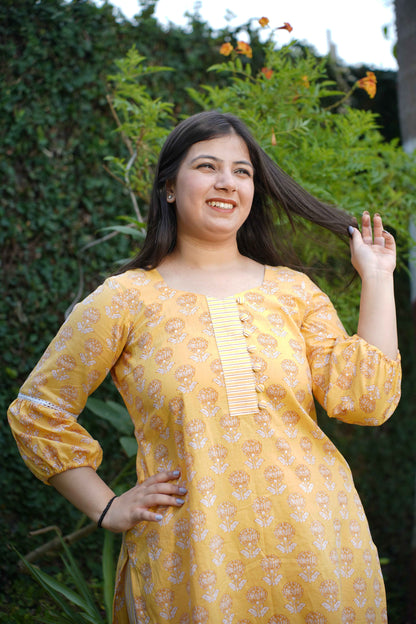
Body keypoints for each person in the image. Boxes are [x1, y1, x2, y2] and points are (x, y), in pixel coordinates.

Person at [8, 111, 400, 623]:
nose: (227, 182)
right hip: (193, 561)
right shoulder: (125, 299)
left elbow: (367, 400)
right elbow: (38, 411)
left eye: (242, 171)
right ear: (169, 187)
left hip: (321, 549)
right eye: (208, 166)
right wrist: (106, 506)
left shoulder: (294, 292)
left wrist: (378, 277)